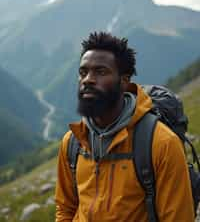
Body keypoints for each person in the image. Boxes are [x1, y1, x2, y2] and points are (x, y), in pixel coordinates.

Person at [55, 32, 194, 221]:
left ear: (124, 81)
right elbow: (65, 209)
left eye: (101, 72)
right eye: (83, 72)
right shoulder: (72, 143)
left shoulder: (161, 143)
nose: (87, 79)